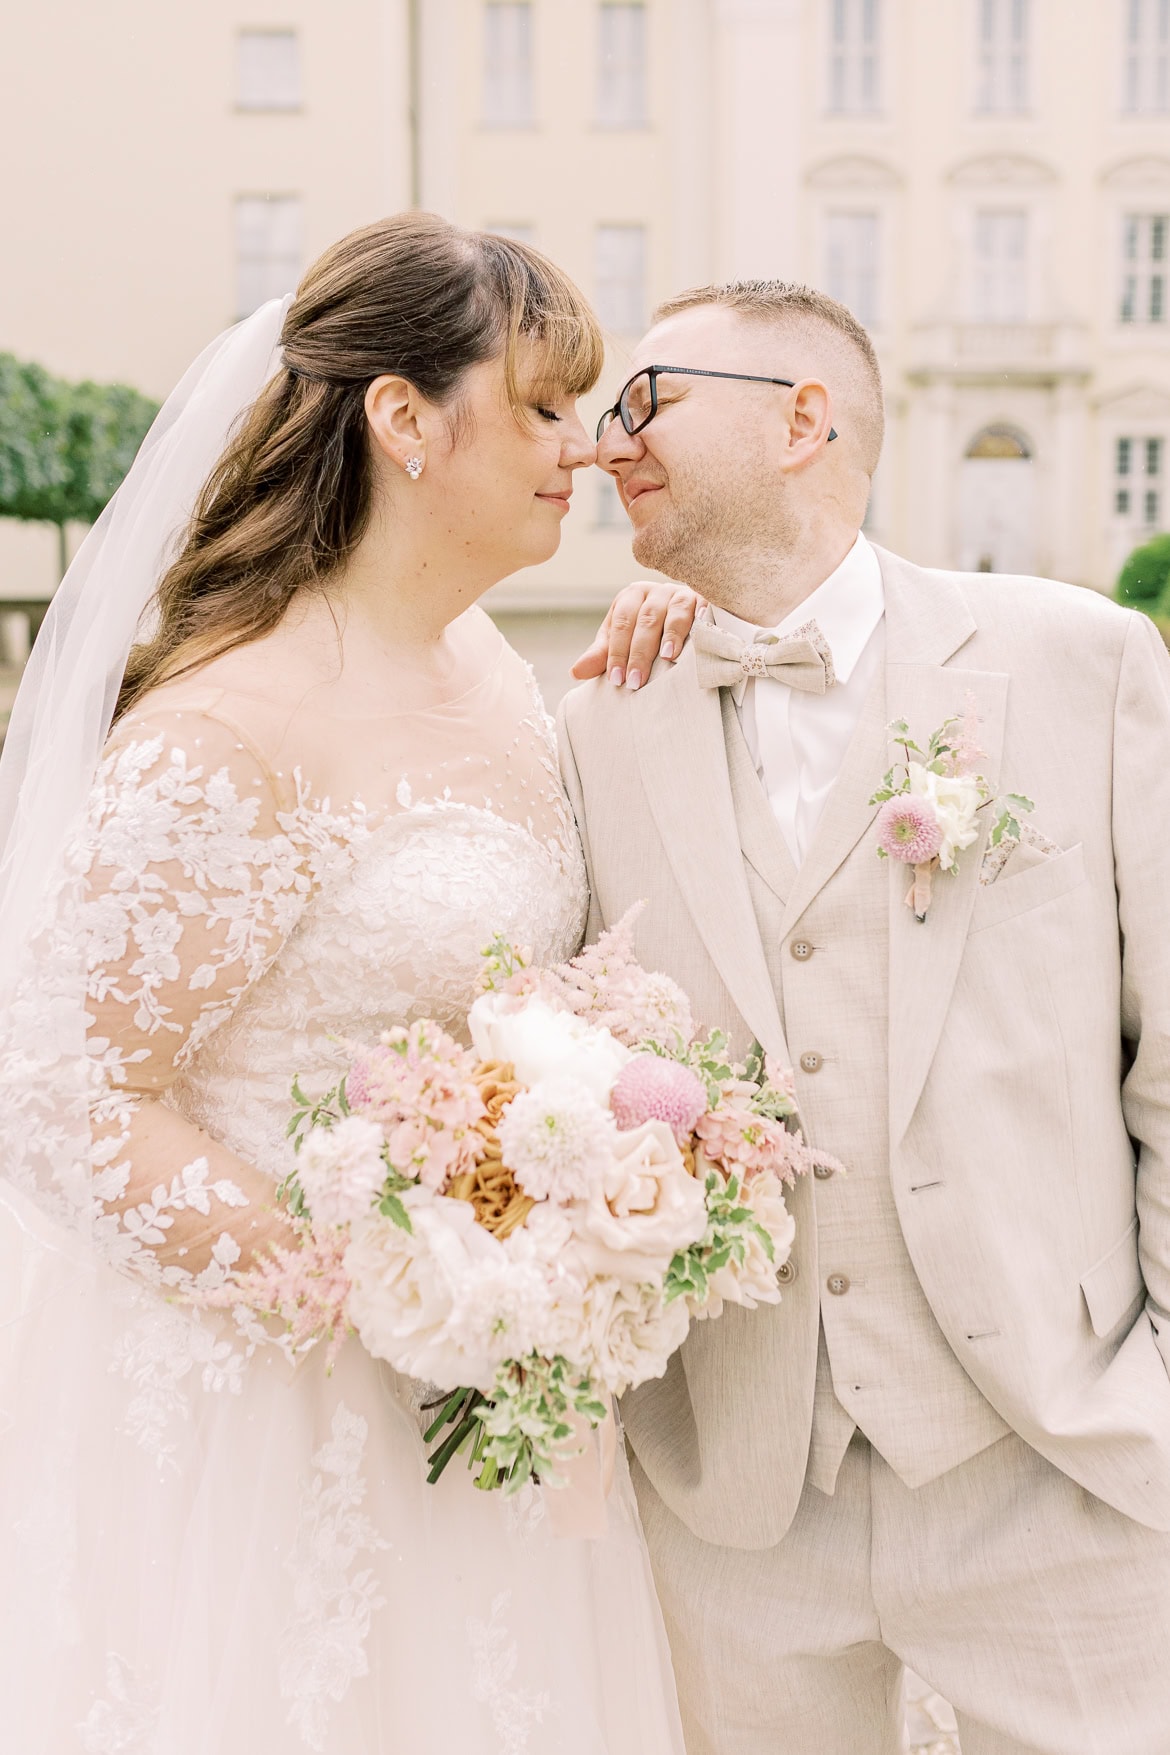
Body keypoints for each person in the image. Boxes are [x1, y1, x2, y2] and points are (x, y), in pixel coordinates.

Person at [0, 212, 696, 1754]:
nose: (578, 449)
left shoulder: (500, 676)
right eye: (538, 403)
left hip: (493, 1395)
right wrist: (379, 1283)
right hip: (274, 1423)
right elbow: (62, 1095)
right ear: (402, 419)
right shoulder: (225, 731)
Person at [558, 278, 1170, 1755]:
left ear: (802, 419)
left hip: (1067, 1453)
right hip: (737, 1489)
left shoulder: (1076, 659)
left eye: (646, 401)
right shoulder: (589, 715)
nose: (600, 444)